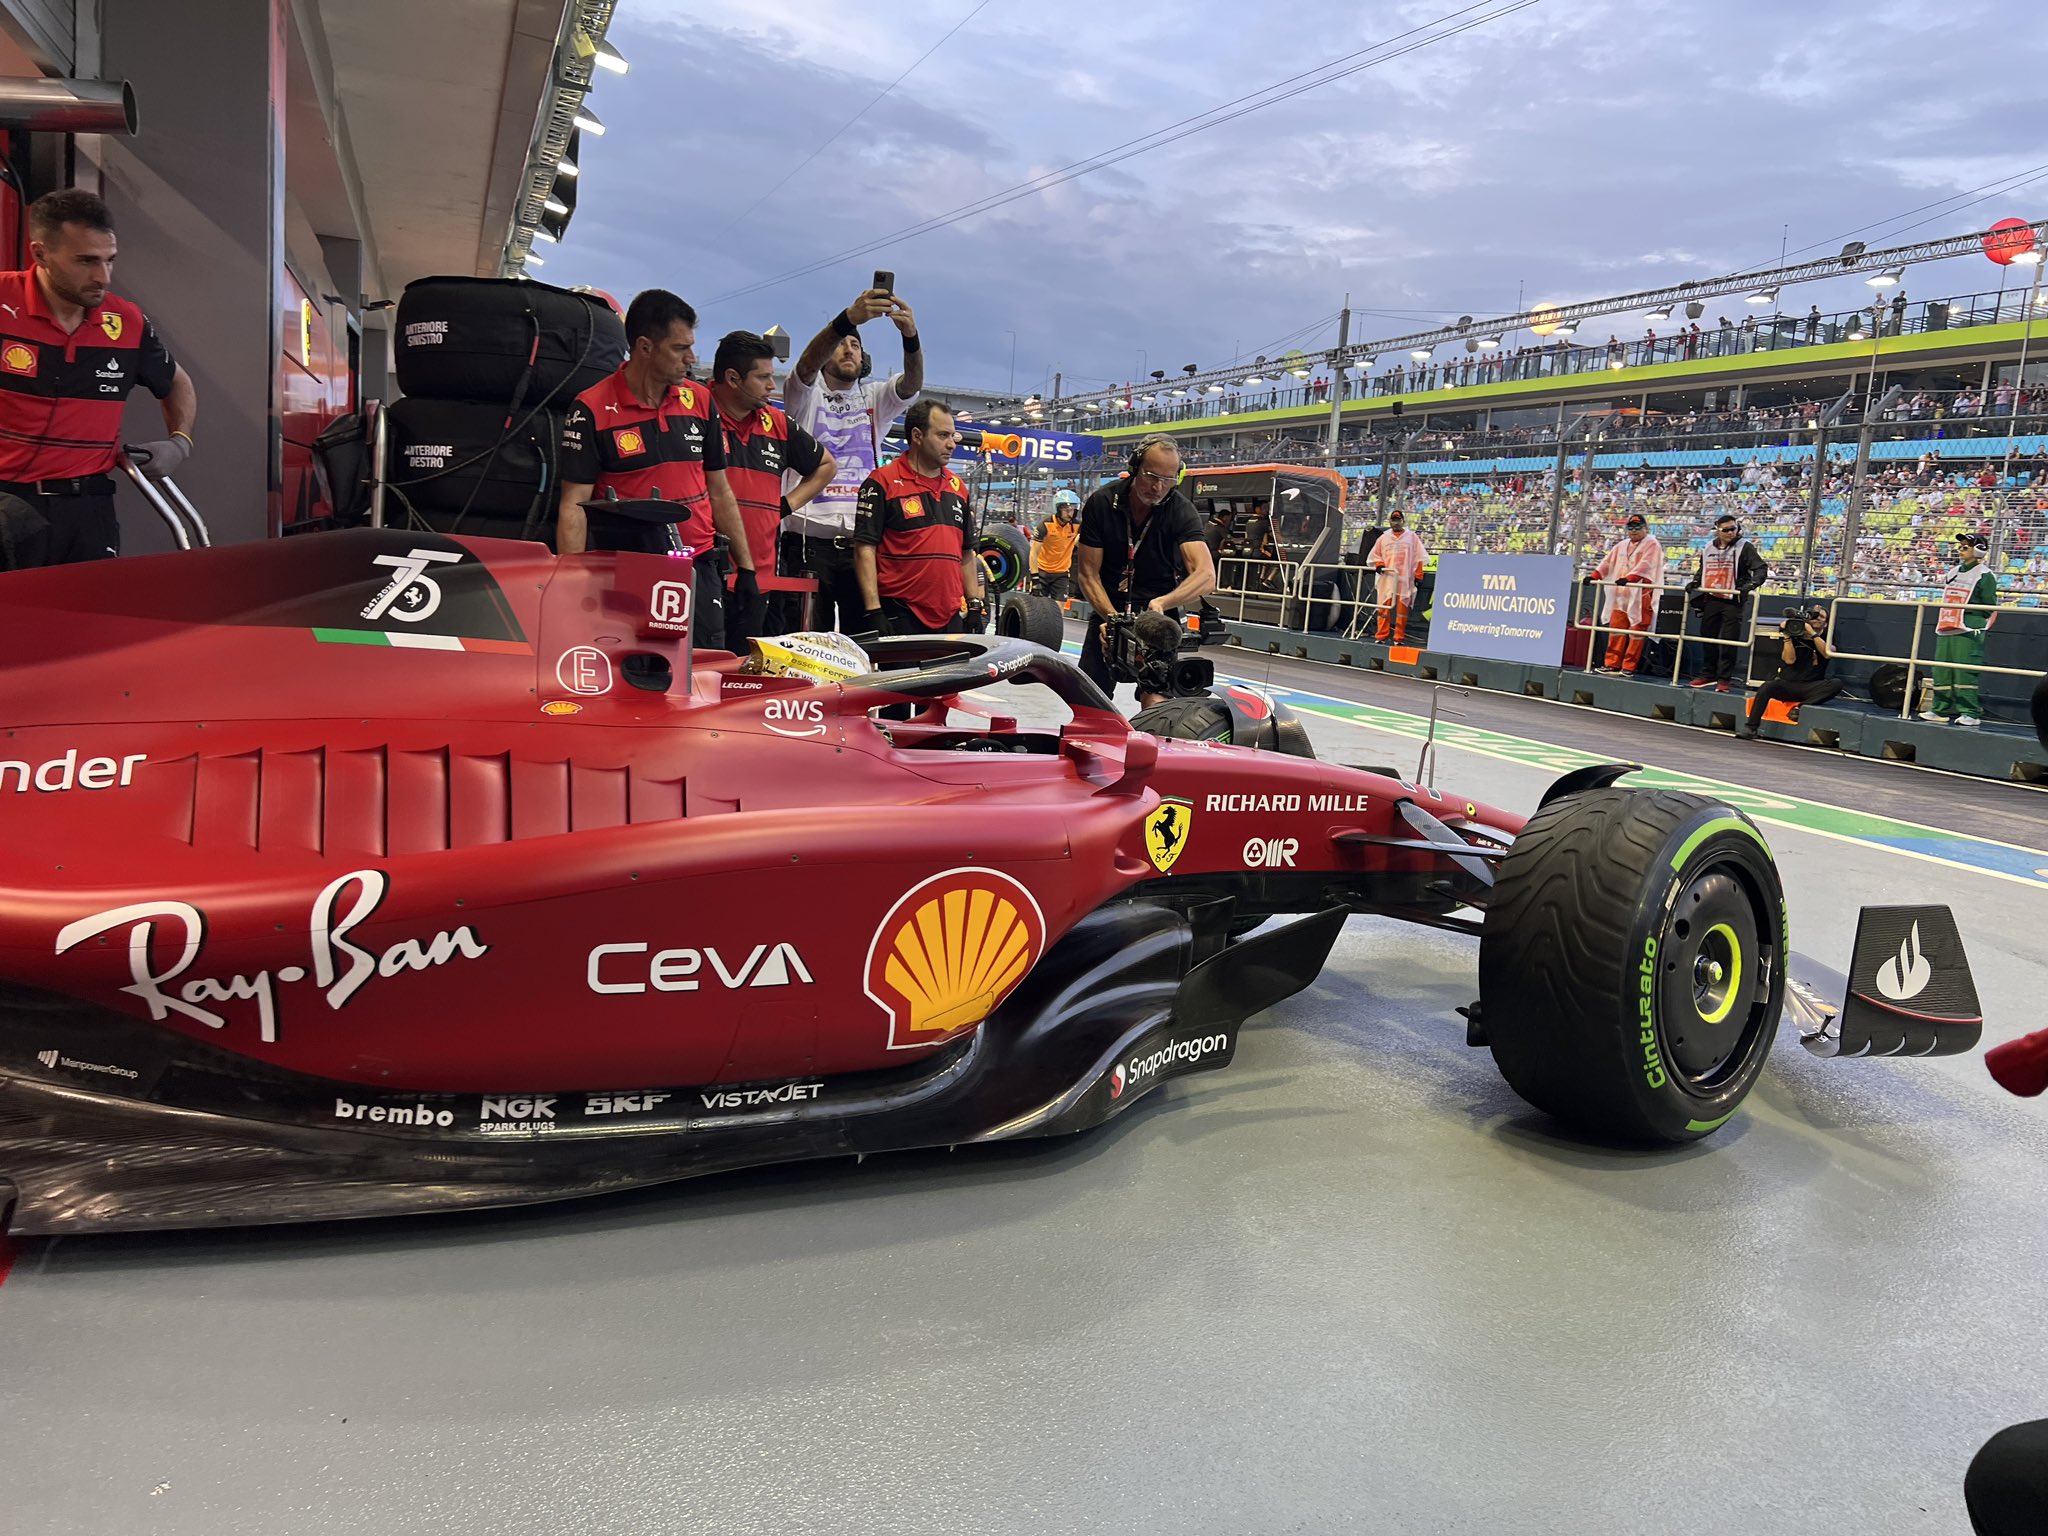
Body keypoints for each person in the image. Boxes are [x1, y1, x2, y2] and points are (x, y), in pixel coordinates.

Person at [0, 188, 198, 567]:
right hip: (7, 500)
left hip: (88, 508)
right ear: (39, 253)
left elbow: (176, 382)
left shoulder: (127, 321)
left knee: (91, 620)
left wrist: (180, 443)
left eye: (110, 260)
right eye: (86, 261)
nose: (102, 277)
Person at [556, 289, 757, 650]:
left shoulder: (700, 399)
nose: (691, 358)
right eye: (681, 348)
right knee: (630, 676)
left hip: (698, 566)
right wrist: (573, 581)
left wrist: (747, 568)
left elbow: (719, 488)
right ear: (645, 347)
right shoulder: (590, 407)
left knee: (700, 678)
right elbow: (575, 503)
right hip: (627, 570)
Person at [784, 285, 924, 631]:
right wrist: (847, 321)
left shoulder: (875, 397)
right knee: (805, 646)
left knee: (863, 645)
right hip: (806, 543)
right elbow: (804, 366)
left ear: (865, 360)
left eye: (856, 344)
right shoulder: (804, 395)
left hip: (861, 546)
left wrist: (911, 336)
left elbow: (912, 384)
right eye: (841, 343)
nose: (849, 348)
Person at [709, 330, 836, 639]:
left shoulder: (776, 422)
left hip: (759, 578)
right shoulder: (696, 410)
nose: (771, 386)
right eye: (763, 377)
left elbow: (826, 466)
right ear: (733, 378)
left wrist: (784, 506)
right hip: (703, 573)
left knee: (747, 676)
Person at [1073, 434, 1215, 703]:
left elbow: (1206, 576)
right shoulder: (1102, 503)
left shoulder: (1181, 511)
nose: (1158, 487)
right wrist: (1112, 621)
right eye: (1151, 476)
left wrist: (1163, 602)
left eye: (1168, 479)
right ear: (1135, 467)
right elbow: (1088, 575)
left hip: (1157, 616)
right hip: (1109, 607)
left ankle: (1151, 739)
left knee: (1157, 701)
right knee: (1088, 700)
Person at [852, 400, 984, 637]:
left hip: (950, 616)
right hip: (900, 614)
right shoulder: (882, 482)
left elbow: (966, 552)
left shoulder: (958, 487)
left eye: (953, 435)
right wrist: (874, 610)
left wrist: (974, 603)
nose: (951, 444)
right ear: (917, 435)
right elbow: (864, 549)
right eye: (943, 435)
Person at [1923, 530, 1997, 727]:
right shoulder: (1953, 572)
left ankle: (1970, 712)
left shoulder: (1985, 575)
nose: (1960, 550)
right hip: (1947, 624)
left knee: (1965, 670)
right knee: (1941, 669)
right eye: (1960, 547)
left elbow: (1989, 604)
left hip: (1969, 627)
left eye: (1966, 547)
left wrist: (1975, 620)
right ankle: (1939, 709)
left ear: (1980, 551)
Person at [1685, 513, 1767, 690]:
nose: (1731, 532)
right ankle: (1708, 674)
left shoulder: (1745, 546)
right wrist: (1695, 582)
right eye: (1726, 530)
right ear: (1718, 531)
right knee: (1708, 637)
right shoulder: (1707, 547)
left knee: (1729, 639)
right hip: (1711, 597)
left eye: (1734, 528)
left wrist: (1751, 585)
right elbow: (1703, 568)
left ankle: (1724, 679)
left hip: (1733, 600)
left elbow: (1760, 568)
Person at [1736, 603, 1840, 738]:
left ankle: (1800, 707)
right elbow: (1789, 660)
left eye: (1821, 616)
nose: (1816, 618)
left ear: (1826, 624)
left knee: (1836, 683)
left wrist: (1812, 634)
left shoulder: (1827, 639)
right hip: (1788, 684)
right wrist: (1787, 636)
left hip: (1811, 686)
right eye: (1814, 615)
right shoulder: (1795, 634)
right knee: (1767, 686)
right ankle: (1751, 728)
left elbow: (1827, 653)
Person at [1589, 512, 1663, 674]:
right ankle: (1612, 663)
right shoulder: (1621, 545)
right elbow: (1607, 562)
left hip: (1641, 593)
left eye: (1638, 527)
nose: (1634, 531)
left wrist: (1631, 578)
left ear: (1645, 528)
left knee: (1636, 631)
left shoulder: (1652, 543)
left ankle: (1629, 666)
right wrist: (1594, 576)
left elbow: (1647, 564)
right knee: (1616, 629)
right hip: (1621, 594)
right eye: (1630, 527)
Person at [1368, 507, 1426, 643]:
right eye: (1393, 520)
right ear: (1390, 522)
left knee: (1402, 610)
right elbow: (1376, 555)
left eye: (1398, 520)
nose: (1396, 523)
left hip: (1405, 578)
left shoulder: (1412, 537)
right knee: (1383, 608)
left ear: (1403, 521)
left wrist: (1419, 575)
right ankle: (1381, 635)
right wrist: (1379, 565)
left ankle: (1398, 637)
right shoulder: (1384, 538)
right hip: (1387, 578)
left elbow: (1419, 557)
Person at [1031, 489, 1081, 601]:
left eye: (1072, 510)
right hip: (1042, 572)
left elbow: (1080, 542)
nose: (1070, 513)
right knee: (1038, 607)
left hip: (1061, 574)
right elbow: (1034, 553)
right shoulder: (1045, 524)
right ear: (1058, 509)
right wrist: (1035, 580)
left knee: (1059, 610)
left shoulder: (1077, 525)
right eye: (1066, 510)